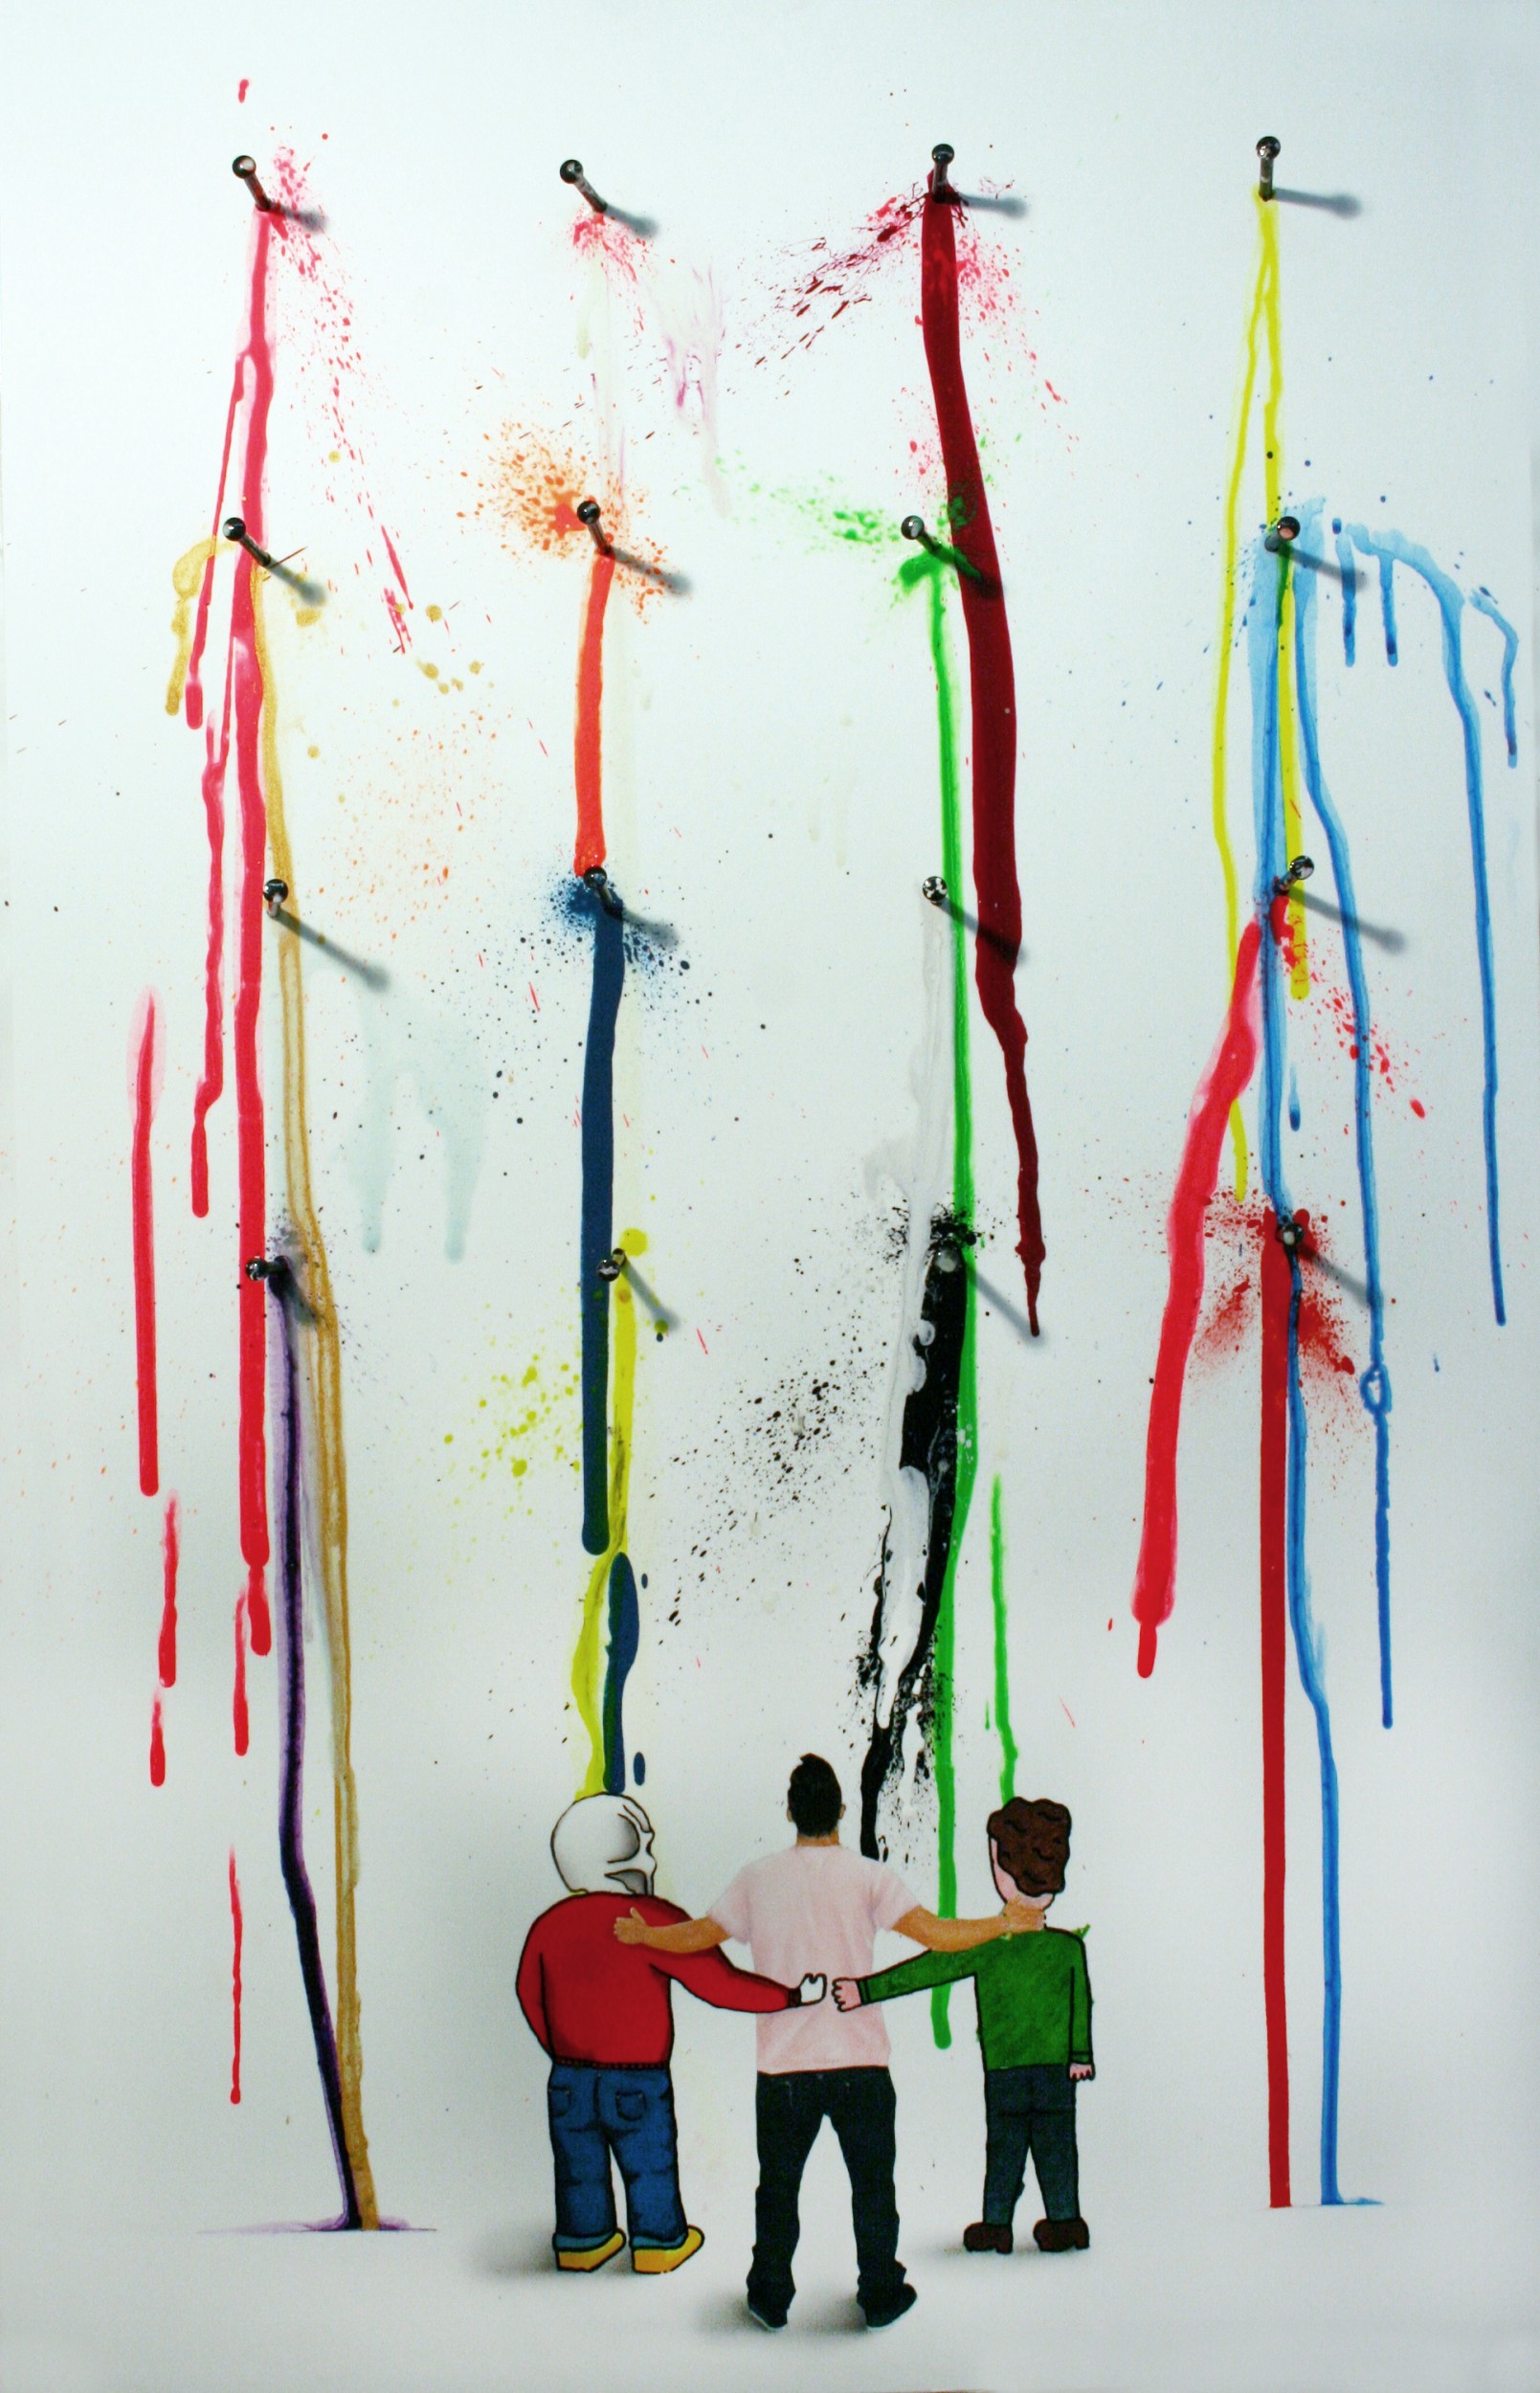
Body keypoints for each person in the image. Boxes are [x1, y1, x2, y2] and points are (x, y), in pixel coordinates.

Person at [614, 1753, 1032, 2329]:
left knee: (777, 2190)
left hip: (783, 2068)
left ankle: (769, 2296)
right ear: (841, 1810)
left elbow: (701, 1936)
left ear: (790, 1812)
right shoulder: (868, 1876)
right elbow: (936, 1934)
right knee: (872, 2187)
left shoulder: (757, 1877)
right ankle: (880, 2292)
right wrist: (1003, 1921)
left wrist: (644, 1936)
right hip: (860, 2062)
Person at [517, 1791, 826, 2275]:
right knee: (649, 2164)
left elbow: (528, 1993)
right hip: (637, 2078)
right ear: (620, 1862)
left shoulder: (549, 1925)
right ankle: (658, 2245)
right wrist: (789, 1997)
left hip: (568, 2080)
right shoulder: (650, 1921)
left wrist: (560, 2048)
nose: (652, 1860)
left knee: (578, 2169)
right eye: (643, 1847)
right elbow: (719, 1984)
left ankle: (583, 2243)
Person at [834, 1795, 1094, 2254]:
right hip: (1050, 2071)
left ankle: (1002, 2225)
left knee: (1007, 2149)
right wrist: (1079, 2057)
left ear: (1004, 1872)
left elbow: (932, 1969)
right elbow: (1081, 2004)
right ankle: (1061, 2222)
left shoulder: (993, 1945)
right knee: (1053, 2146)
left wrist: (864, 1991)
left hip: (1008, 2071)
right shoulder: (1064, 1947)